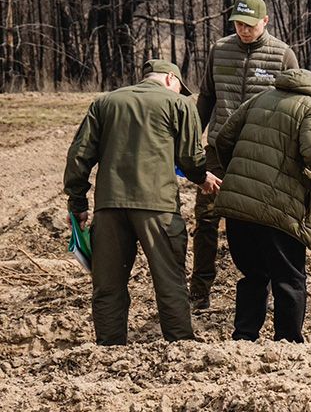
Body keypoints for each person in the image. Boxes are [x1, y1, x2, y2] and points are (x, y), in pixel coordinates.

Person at [63, 59, 221, 345]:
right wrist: (201, 178)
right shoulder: (180, 105)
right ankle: (180, 344)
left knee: (108, 285)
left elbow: (79, 156)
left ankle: (109, 347)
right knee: (169, 279)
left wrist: (77, 203)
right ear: (172, 80)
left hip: (109, 206)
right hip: (158, 208)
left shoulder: (105, 102)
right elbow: (190, 157)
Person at [212, 66, 311, 342]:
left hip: (239, 205)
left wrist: (240, 175)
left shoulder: (263, 96)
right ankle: (288, 341)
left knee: (253, 274)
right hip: (280, 208)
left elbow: (224, 137)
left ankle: (244, 337)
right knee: (289, 277)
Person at [190, 0, 299, 310]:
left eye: (250, 25)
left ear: (265, 22)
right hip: (218, 152)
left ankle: (265, 285)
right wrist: (192, 138)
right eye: (238, 24)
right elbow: (207, 96)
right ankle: (200, 288)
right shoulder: (220, 50)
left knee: (262, 221)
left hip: (261, 153)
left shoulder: (282, 55)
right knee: (207, 217)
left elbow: (296, 105)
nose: (243, 30)